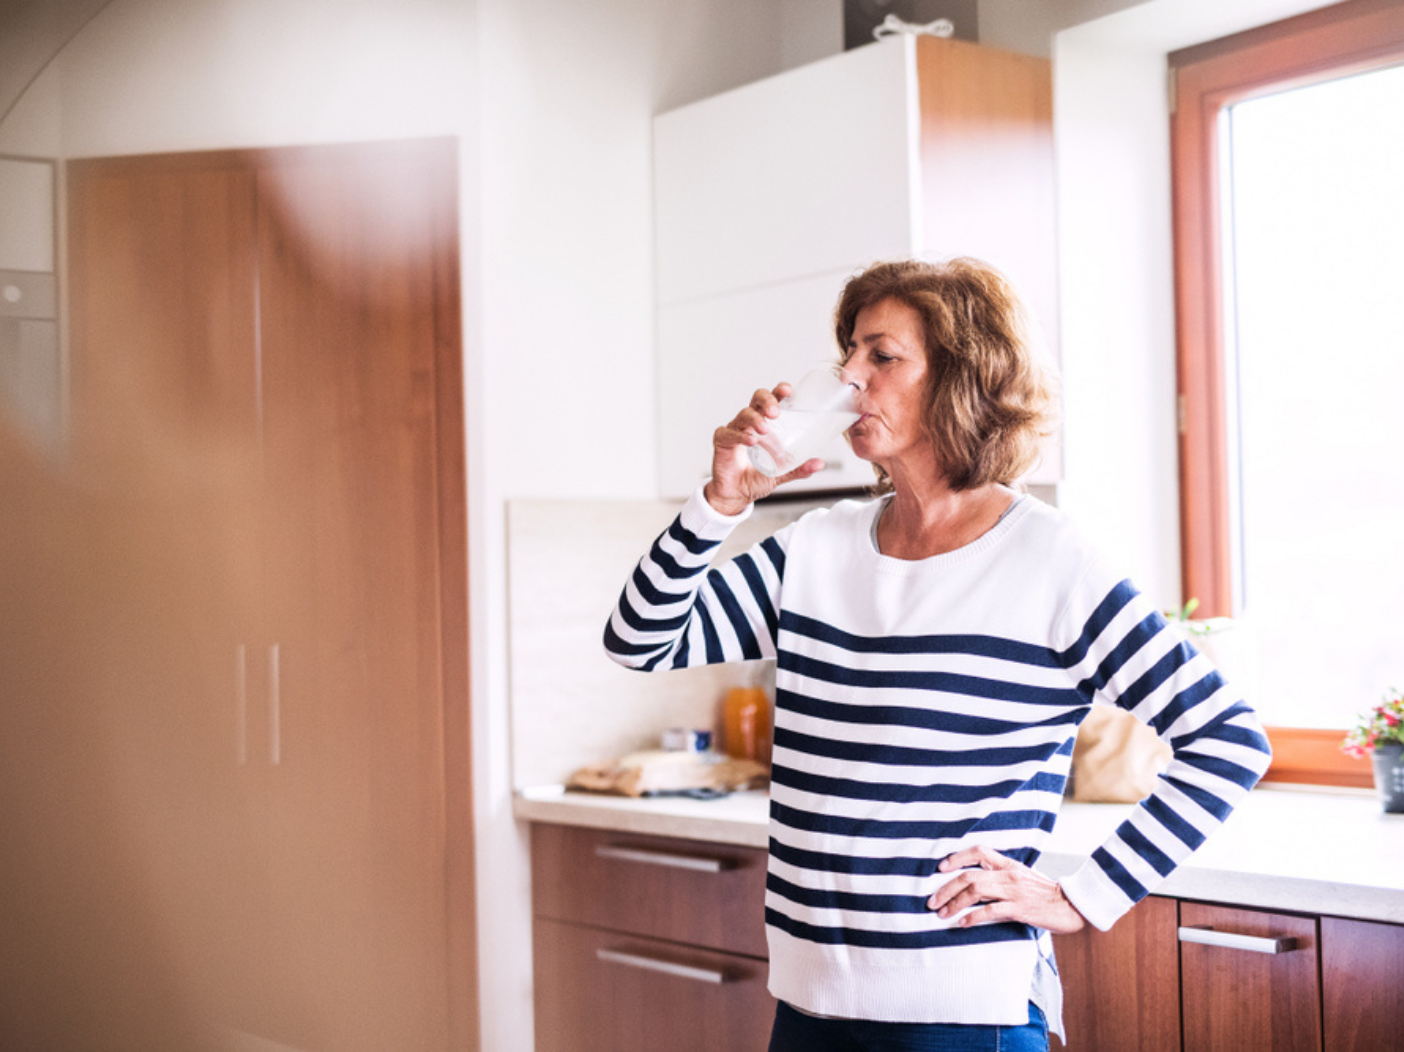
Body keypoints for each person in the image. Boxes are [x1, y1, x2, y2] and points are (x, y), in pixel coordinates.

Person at [603, 257, 1271, 1051]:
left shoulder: (1049, 561)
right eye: (848, 353)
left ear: (960, 377)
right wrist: (718, 505)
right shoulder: (815, 548)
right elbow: (641, 641)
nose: (849, 378)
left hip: (959, 1013)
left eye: (881, 356)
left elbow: (1229, 740)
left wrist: (1080, 896)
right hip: (807, 1002)